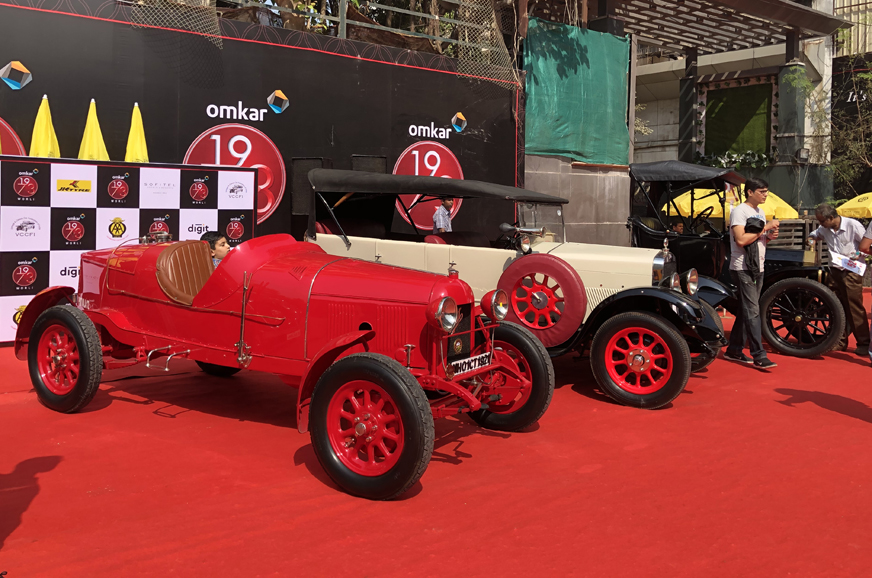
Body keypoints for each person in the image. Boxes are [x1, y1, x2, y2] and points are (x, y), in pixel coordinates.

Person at [723, 177, 780, 369]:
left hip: (757, 266)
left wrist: (768, 237)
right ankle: (758, 355)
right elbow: (740, 240)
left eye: (766, 191)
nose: (765, 195)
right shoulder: (740, 211)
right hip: (743, 267)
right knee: (752, 311)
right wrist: (765, 228)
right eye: (762, 191)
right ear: (750, 192)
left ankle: (734, 350)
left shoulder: (759, 212)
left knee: (746, 310)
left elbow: (756, 238)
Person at [808, 204, 869, 356]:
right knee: (836, 306)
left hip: (851, 271)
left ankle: (863, 342)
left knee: (854, 307)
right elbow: (815, 234)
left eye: (822, 221)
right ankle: (839, 341)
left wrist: (858, 254)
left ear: (831, 217)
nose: (821, 224)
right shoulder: (824, 228)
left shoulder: (853, 225)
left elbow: (867, 246)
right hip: (834, 270)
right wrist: (811, 239)